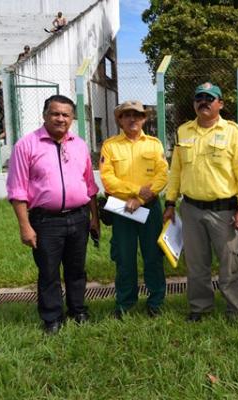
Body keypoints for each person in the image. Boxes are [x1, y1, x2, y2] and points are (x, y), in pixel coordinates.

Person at [6, 95, 99, 334]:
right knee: (48, 271)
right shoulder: (26, 145)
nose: (60, 119)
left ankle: (78, 310)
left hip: (79, 218)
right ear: (45, 115)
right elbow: (17, 190)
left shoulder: (79, 144)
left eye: (66, 115)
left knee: (76, 269)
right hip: (45, 221)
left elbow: (89, 186)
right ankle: (52, 318)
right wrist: (24, 226)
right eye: (55, 113)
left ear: (72, 118)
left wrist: (94, 218)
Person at [163, 82, 238, 322]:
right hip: (191, 209)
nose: (203, 101)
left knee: (230, 264)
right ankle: (200, 308)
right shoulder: (183, 131)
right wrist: (170, 202)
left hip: (224, 211)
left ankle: (235, 310)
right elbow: (176, 170)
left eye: (209, 98)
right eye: (199, 98)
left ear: (220, 104)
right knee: (196, 264)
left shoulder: (233, 132)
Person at [100, 101, 168, 319]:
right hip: (121, 209)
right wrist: (136, 192)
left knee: (153, 257)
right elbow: (108, 179)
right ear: (119, 119)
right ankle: (125, 303)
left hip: (149, 208)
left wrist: (140, 198)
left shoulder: (154, 144)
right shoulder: (110, 146)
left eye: (137, 115)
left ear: (144, 119)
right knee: (124, 258)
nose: (132, 119)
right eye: (126, 115)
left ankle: (155, 302)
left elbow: (162, 175)